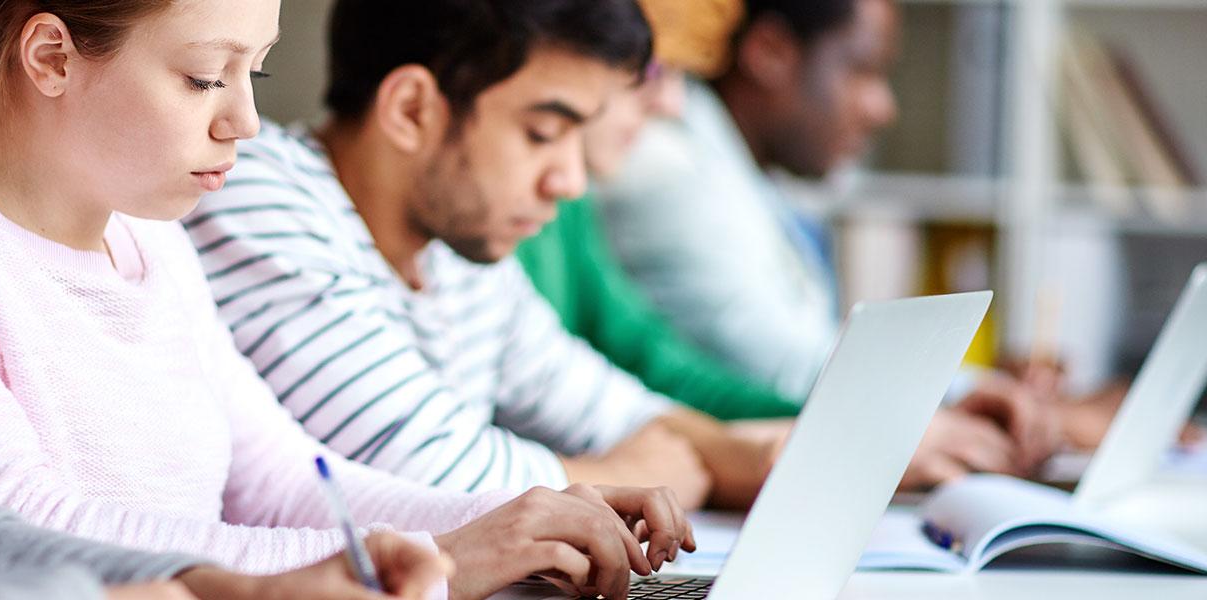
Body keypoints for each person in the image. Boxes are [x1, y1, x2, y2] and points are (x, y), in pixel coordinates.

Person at [0, 1, 692, 598]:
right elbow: (15, 527)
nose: (245, 121)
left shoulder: (153, 238)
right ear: (51, 55)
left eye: (251, 74)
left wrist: (513, 517)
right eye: (205, 77)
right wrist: (421, 565)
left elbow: (287, 480)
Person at [183, 0, 820, 512]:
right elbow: (431, 476)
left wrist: (740, 456)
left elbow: (599, 402)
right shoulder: (259, 194)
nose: (570, 181)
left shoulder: (454, 251)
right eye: (543, 133)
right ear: (412, 110)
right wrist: (639, 476)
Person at [594, 0, 1067, 484]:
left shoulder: (749, 176)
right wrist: (953, 400)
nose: (884, 108)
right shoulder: (667, 165)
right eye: (862, 70)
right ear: (770, 52)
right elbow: (779, 364)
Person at [515, 0, 803, 422]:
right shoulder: (504, 214)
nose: (671, 106)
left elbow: (647, 357)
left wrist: (811, 422)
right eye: (649, 71)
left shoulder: (573, 205)